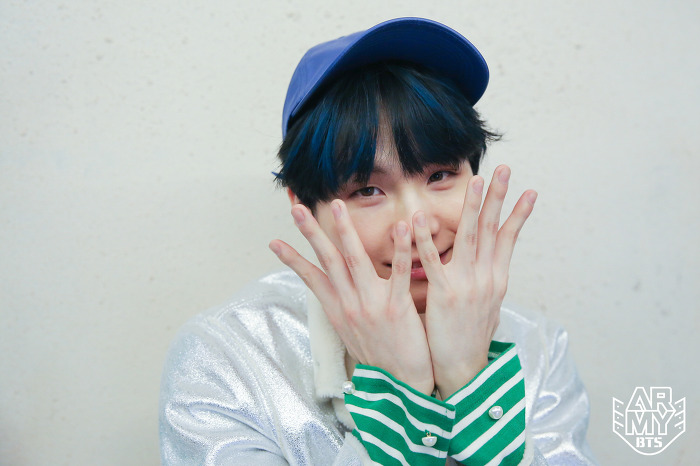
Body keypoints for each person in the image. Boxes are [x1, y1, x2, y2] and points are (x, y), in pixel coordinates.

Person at [159, 17, 597, 465]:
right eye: (367, 190)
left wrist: (470, 378)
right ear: (304, 207)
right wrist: (400, 393)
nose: (418, 225)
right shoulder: (227, 357)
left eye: (440, 175)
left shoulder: (538, 347)